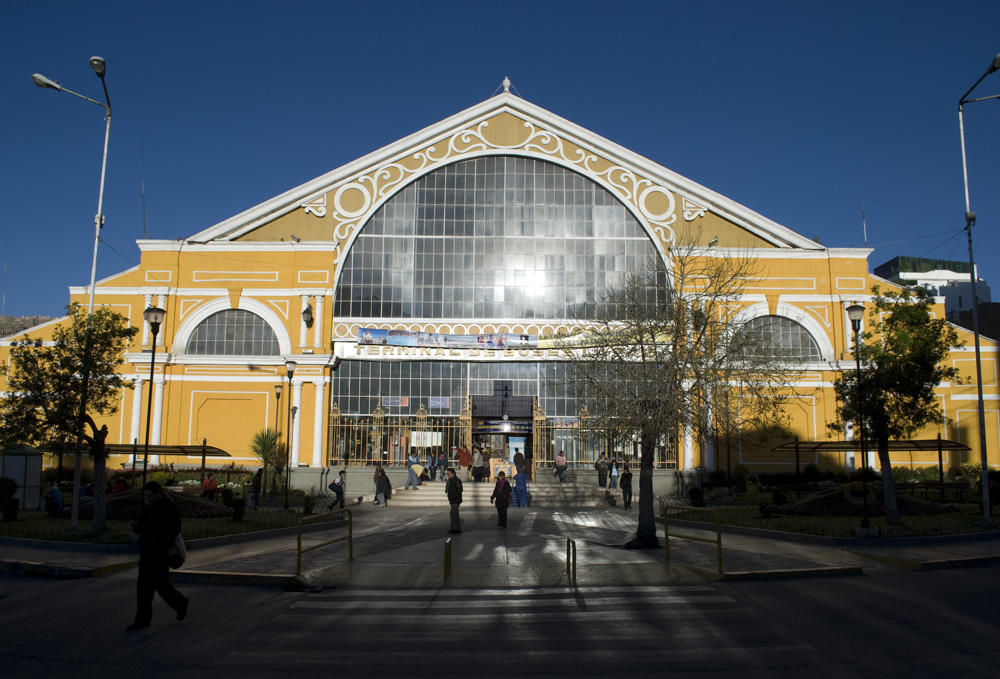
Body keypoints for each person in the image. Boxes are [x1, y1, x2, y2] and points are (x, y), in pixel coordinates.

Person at [128, 481, 188, 631]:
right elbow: (143, 525)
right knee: (143, 588)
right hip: (147, 551)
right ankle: (142, 620)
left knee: (162, 586)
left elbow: (174, 529)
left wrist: (159, 540)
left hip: (160, 553)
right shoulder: (148, 508)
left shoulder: (170, 508)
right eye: (146, 495)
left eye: (150, 495)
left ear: (158, 494)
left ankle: (180, 603)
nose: (148, 498)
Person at [445, 467, 463, 533]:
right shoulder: (450, 481)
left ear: (453, 474)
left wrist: (455, 496)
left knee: (453, 513)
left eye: (449, 474)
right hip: (452, 499)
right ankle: (455, 527)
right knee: (454, 514)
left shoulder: (456, 480)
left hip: (456, 500)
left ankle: (456, 528)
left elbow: (460, 490)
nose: (448, 475)